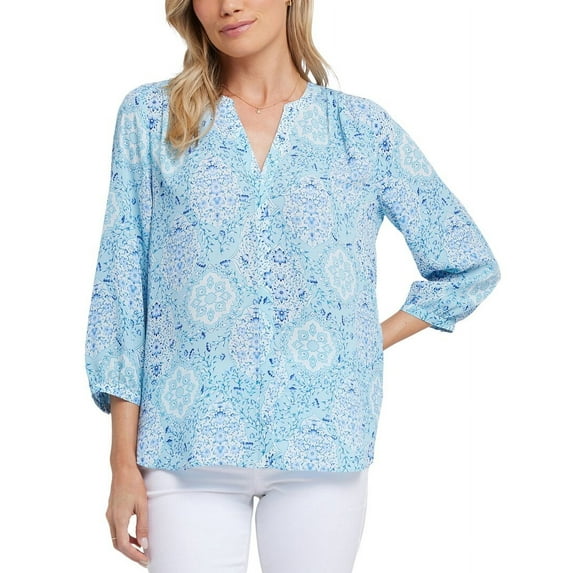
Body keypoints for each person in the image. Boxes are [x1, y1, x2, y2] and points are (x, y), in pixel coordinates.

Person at [84, 0, 500, 571]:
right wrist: (121, 464)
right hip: (185, 442)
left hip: (324, 444)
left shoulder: (360, 129)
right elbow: (122, 290)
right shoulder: (153, 117)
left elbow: (467, 263)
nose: (228, 5)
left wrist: (360, 341)